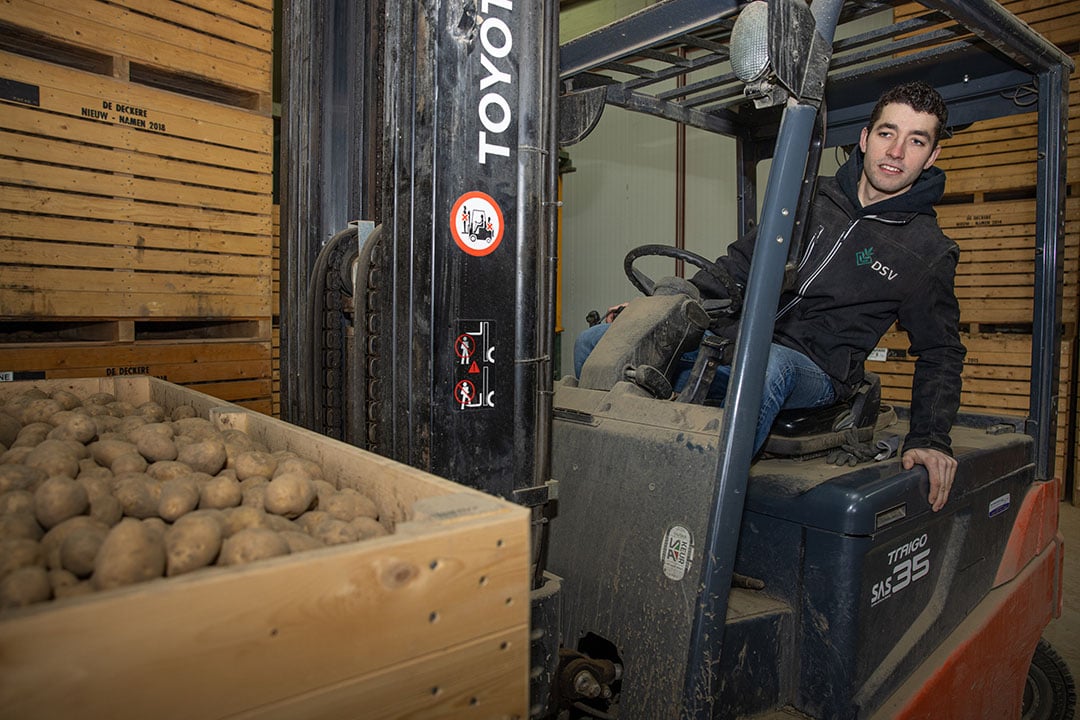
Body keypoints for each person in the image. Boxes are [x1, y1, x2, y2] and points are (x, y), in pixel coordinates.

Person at [575, 81, 964, 512]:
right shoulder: (807, 197)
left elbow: (941, 351)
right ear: (865, 137)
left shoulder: (928, 250)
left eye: (916, 141)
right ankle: (596, 485)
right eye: (887, 133)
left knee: (764, 365)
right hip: (737, 337)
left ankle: (686, 508)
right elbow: (737, 268)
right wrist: (657, 314)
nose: (895, 152)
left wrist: (930, 438)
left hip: (812, 369)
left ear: (931, 157)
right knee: (597, 343)